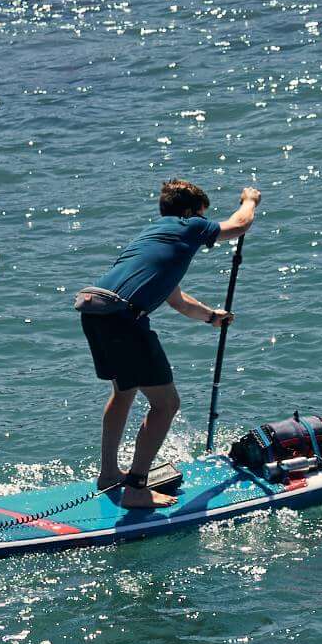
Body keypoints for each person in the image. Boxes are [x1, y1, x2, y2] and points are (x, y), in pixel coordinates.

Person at [74, 178, 259, 506]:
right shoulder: (188, 226)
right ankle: (136, 489)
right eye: (203, 215)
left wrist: (211, 317)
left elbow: (177, 300)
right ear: (191, 212)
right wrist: (250, 200)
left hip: (95, 309)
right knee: (166, 404)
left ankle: (109, 475)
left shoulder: (154, 237)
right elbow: (239, 225)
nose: (205, 224)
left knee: (124, 392)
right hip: (123, 319)